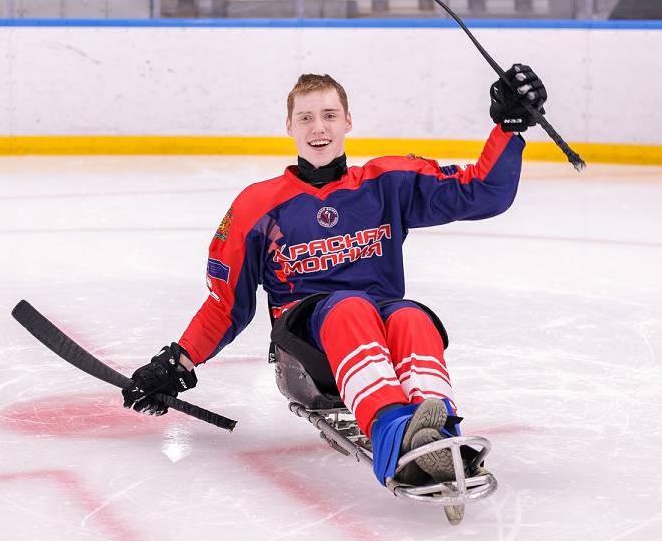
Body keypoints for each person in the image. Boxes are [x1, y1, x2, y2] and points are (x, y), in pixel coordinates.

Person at [123, 66, 547, 485]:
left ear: (347, 121)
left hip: (379, 331)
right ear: (289, 126)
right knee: (350, 306)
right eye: (306, 117)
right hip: (307, 356)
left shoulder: (386, 183)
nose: (318, 127)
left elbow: (481, 192)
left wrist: (508, 128)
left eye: (329, 115)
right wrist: (175, 363)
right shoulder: (257, 206)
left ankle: (438, 436)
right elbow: (226, 306)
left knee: (411, 316)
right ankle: (396, 436)